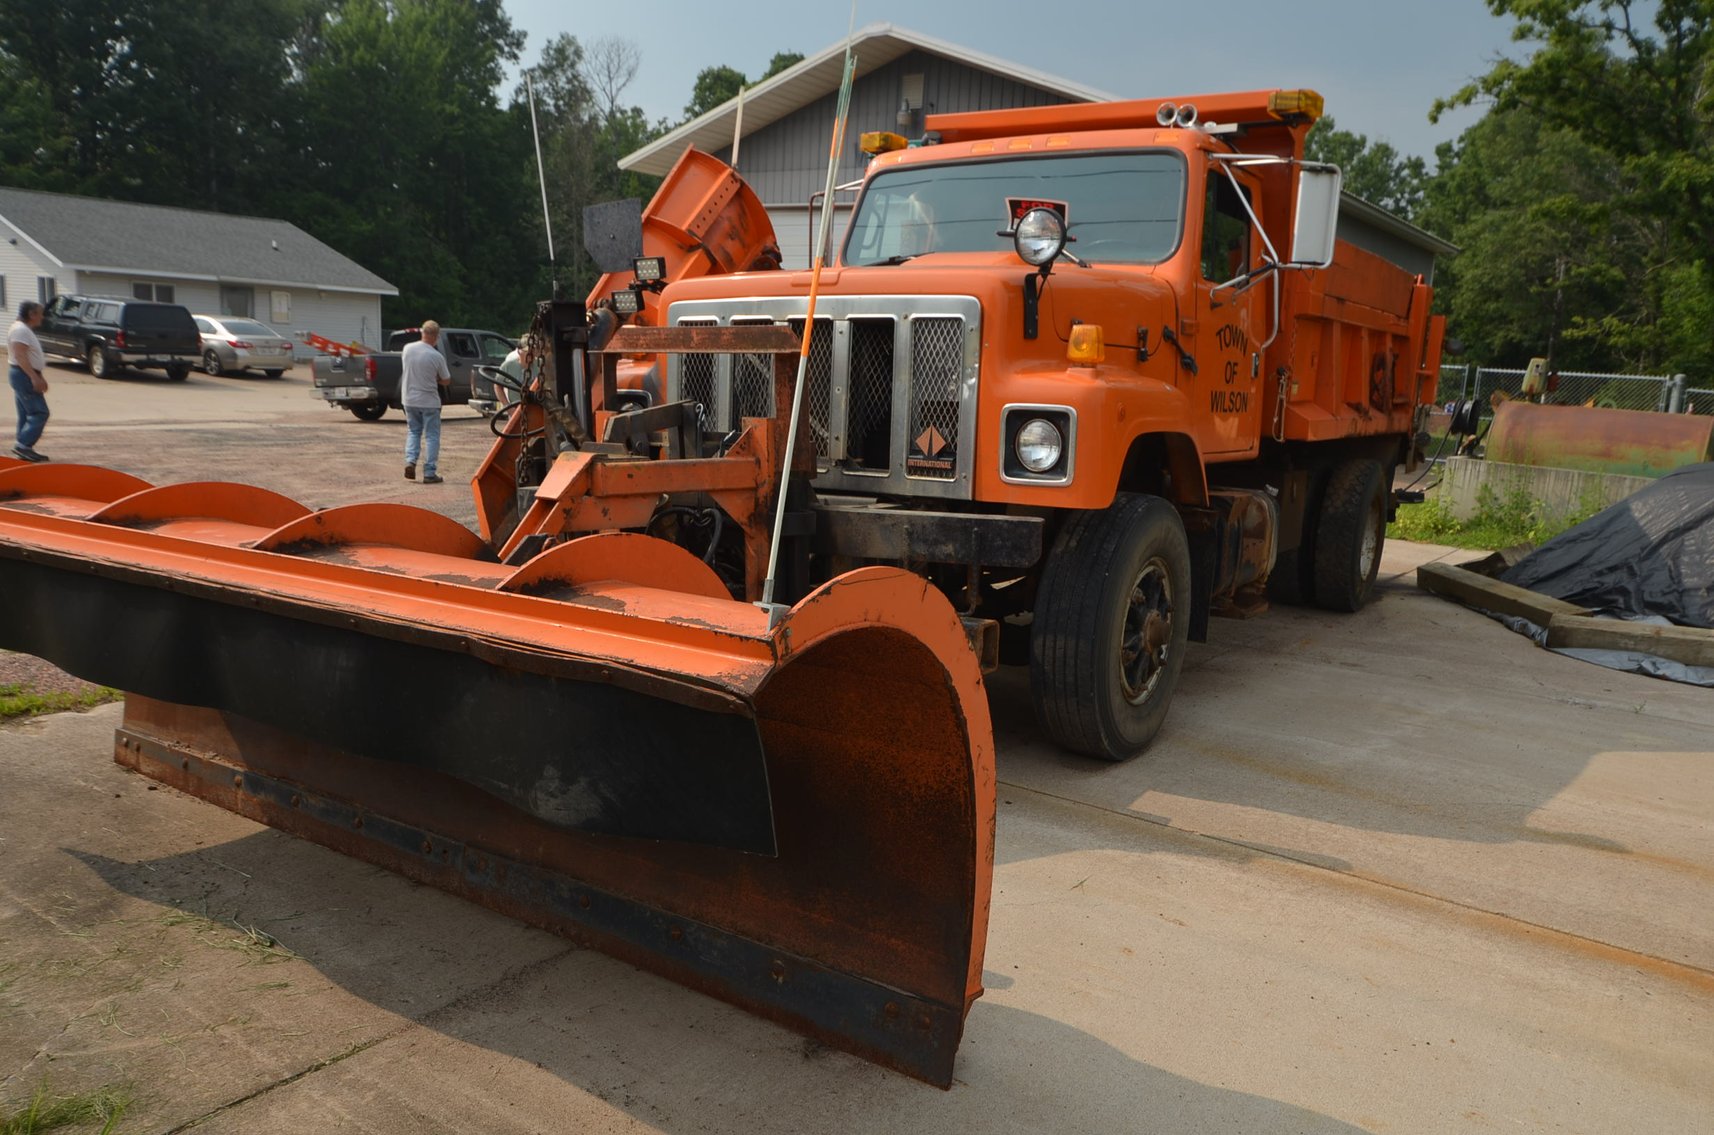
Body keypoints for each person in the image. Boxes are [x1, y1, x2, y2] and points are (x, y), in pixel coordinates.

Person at [401, 320, 451, 484]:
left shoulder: (407, 349)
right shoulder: (436, 356)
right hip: (429, 401)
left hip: (409, 399)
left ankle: (410, 461)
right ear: (436, 337)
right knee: (431, 436)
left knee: (413, 431)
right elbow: (446, 380)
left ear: (422, 333)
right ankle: (429, 472)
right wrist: (435, 378)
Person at [6, 301, 50, 462]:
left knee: (26, 414)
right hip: (23, 374)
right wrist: (33, 377)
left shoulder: (23, 329)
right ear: (31, 314)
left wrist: (39, 375)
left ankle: (24, 448)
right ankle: (23, 445)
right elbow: (21, 356)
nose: (42, 317)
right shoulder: (20, 330)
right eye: (40, 313)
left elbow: (28, 357)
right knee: (39, 412)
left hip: (23, 373)